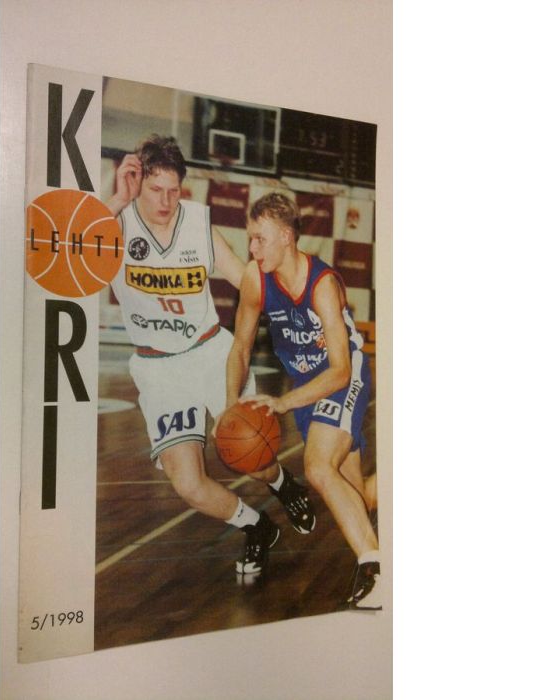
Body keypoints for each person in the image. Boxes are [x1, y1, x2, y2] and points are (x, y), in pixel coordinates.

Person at [105, 135, 316, 576]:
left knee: (251, 455)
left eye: (174, 190)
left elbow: (246, 279)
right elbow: (71, 253)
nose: (166, 201)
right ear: (137, 183)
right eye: (155, 190)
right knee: (188, 484)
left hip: (209, 354)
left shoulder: (198, 224)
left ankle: (283, 484)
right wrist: (116, 201)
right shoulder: (115, 226)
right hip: (158, 368)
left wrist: (304, 314)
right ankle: (256, 526)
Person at [221, 191, 381, 608]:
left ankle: (376, 571)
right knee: (357, 498)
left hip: (343, 376)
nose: (252, 248)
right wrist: (232, 402)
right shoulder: (256, 279)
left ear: (286, 236)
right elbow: (240, 348)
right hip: (308, 384)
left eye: (260, 239)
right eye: (250, 238)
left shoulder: (322, 284)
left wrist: (284, 403)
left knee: (317, 468)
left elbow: (340, 370)